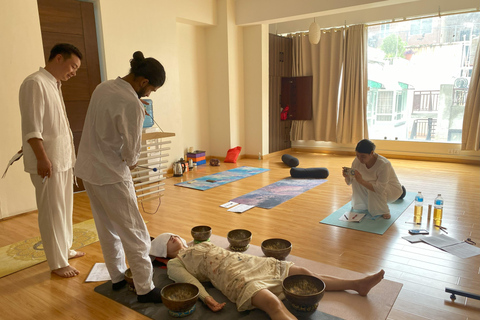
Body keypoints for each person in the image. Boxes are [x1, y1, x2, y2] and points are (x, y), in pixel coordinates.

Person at [75, 51, 166, 303]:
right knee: (135, 232)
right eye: (152, 90)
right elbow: (131, 153)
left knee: (106, 228)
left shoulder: (102, 87)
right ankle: (145, 289)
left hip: (88, 171)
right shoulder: (132, 103)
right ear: (143, 82)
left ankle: (116, 279)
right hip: (111, 175)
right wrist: (132, 162)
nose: (149, 95)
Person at [151, 233, 385, 320]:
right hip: (231, 276)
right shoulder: (175, 264)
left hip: (249, 262)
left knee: (304, 274)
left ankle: (357, 284)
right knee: (272, 304)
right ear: (163, 255)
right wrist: (206, 298)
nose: (172, 239)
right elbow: (191, 284)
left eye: (173, 236)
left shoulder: (200, 242)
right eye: (166, 242)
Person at [19, 43, 85, 278]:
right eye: (72, 66)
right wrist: (42, 159)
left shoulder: (54, 84)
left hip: (63, 159)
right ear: (58, 58)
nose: (74, 72)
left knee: (64, 209)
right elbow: (32, 128)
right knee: (51, 212)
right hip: (47, 162)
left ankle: (65, 249)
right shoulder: (35, 83)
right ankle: (57, 263)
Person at [343, 139, 405, 219]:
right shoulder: (357, 160)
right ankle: (362, 205)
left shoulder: (384, 164)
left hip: (391, 189)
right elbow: (351, 181)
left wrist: (361, 181)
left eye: (363, 156)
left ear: (371, 153)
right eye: (357, 155)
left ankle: (383, 210)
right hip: (371, 184)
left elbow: (380, 189)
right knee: (357, 179)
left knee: (371, 184)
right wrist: (347, 176)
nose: (359, 159)